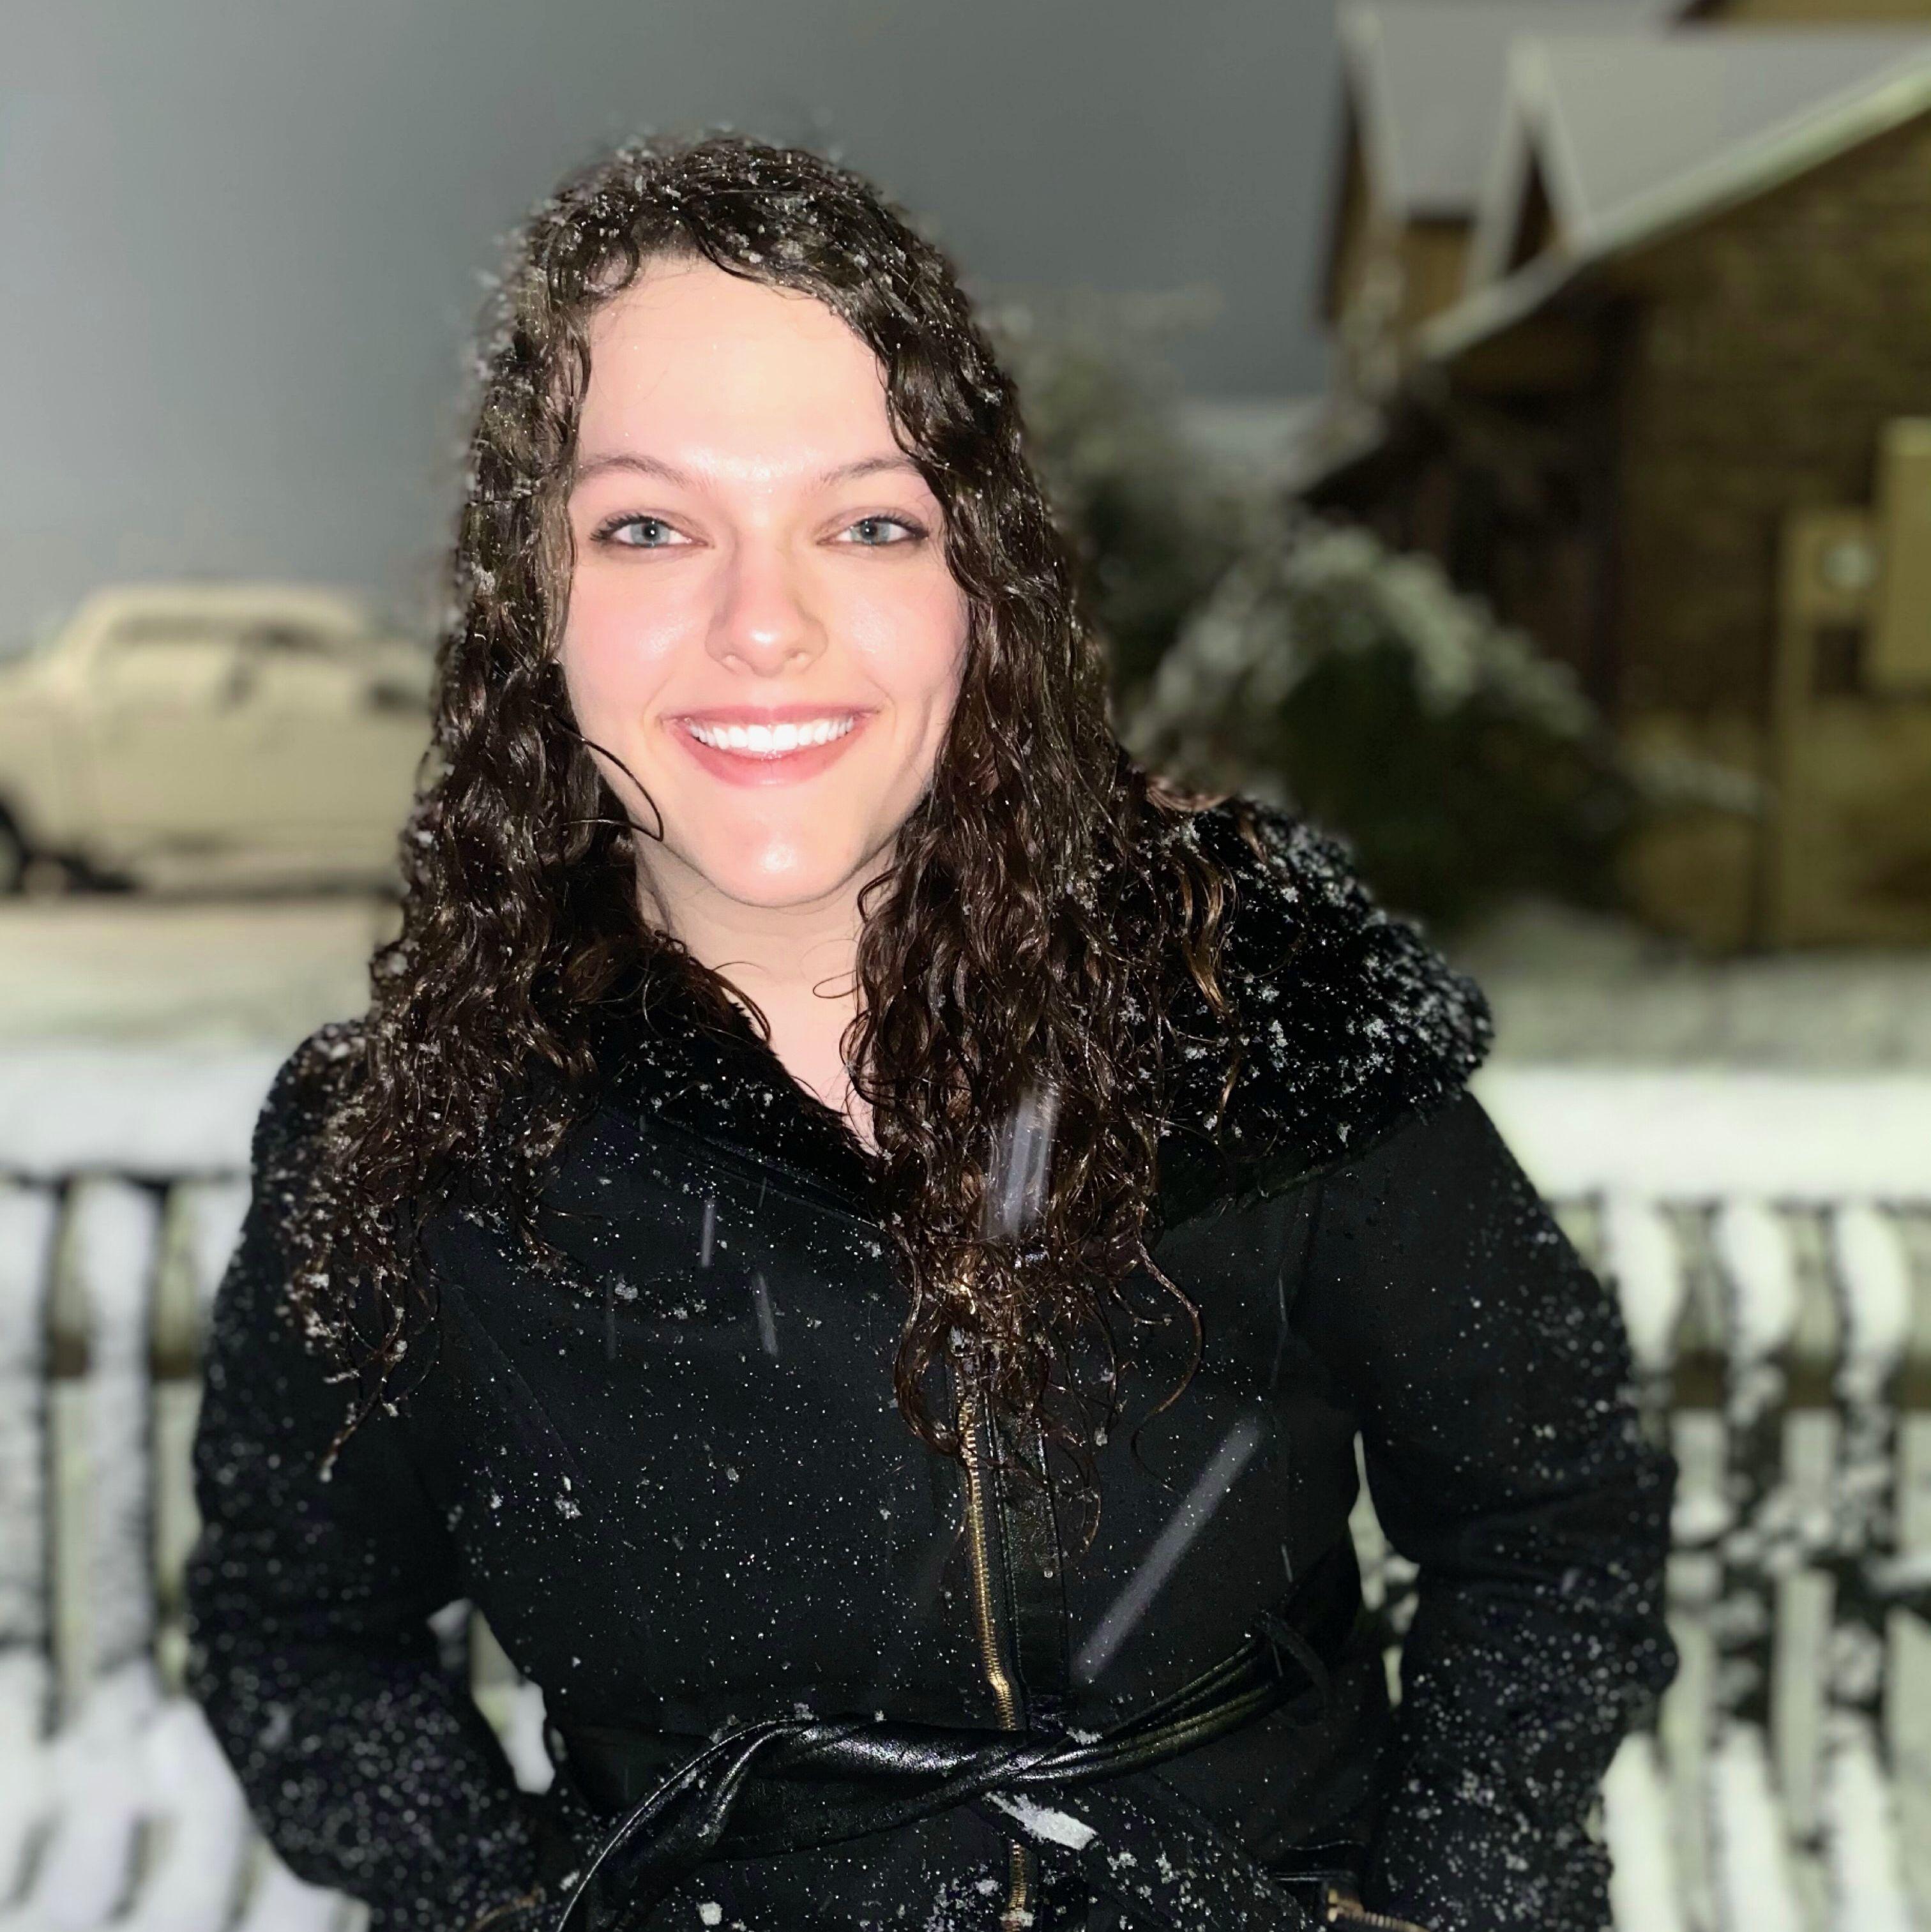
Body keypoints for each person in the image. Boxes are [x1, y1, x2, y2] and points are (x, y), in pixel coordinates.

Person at [182, 134, 1676, 1932]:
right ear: (530, 595)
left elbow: (1551, 1508)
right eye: (648, 525)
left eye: (869, 521)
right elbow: (298, 1627)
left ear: (983, 580)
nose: (764, 623)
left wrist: (1456, 1894)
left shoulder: (1248, 998)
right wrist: (512, 1902)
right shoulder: (414, 1138)